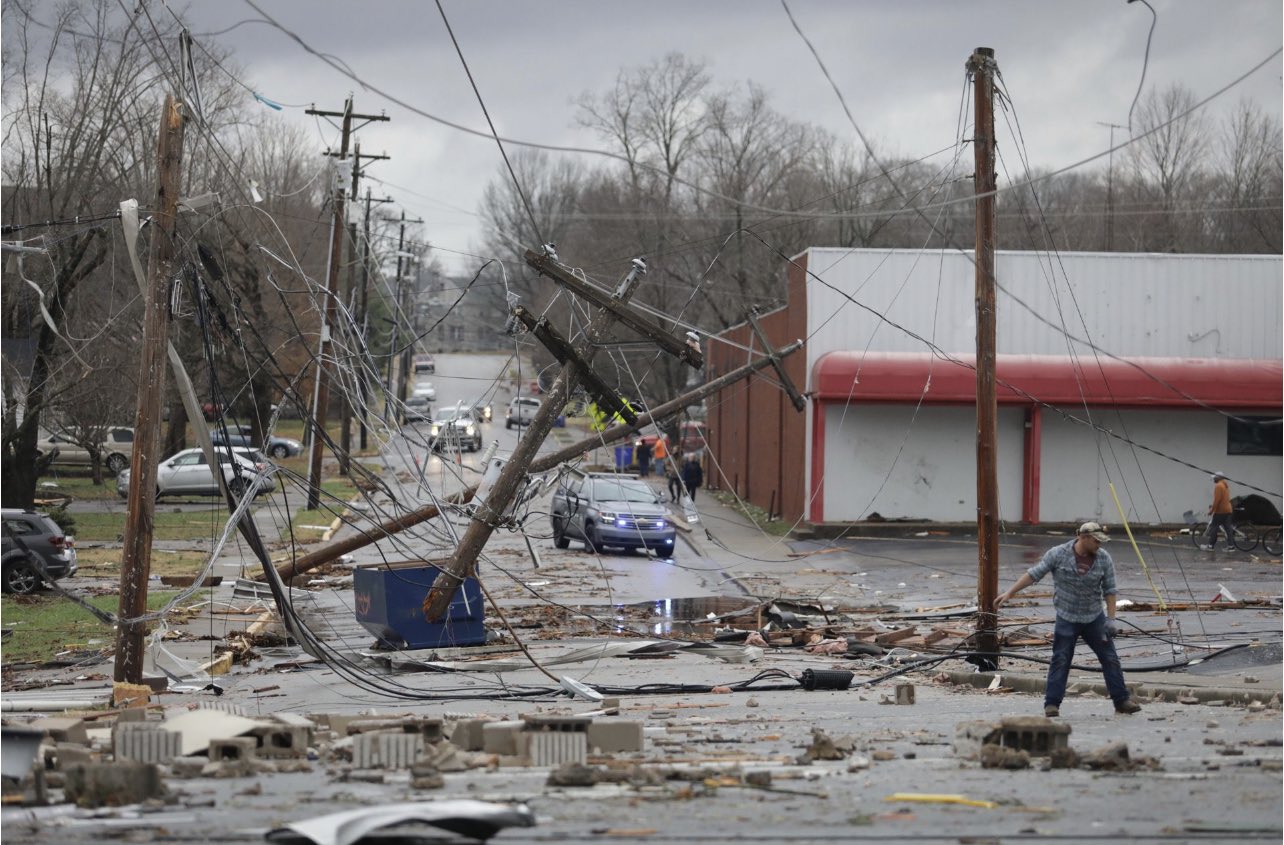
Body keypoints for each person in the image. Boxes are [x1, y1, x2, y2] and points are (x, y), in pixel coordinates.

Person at [994, 521, 1141, 718]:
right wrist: (1009, 593)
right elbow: (1034, 574)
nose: (1100, 545)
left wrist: (1111, 619)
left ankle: (1121, 700)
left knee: (1110, 658)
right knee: (1061, 659)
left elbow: (1110, 590)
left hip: (1093, 617)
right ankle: (1052, 704)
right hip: (1067, 617)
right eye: (1096, 541)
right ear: (1083, 537)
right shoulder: (1058, 554)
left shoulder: (1104, 559)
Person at [1201, 472, 1233, 551]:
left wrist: (1212, 510)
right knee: (1228, 529)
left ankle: (1210, 546)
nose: (1213, 480)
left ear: (1218, 478)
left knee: (1214, 527)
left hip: (1220, 511)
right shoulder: (1225, 485)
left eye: (1214, 478)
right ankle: (1231, 547)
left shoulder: (1218, 486)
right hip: (1228, 510)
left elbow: (1217, 500)